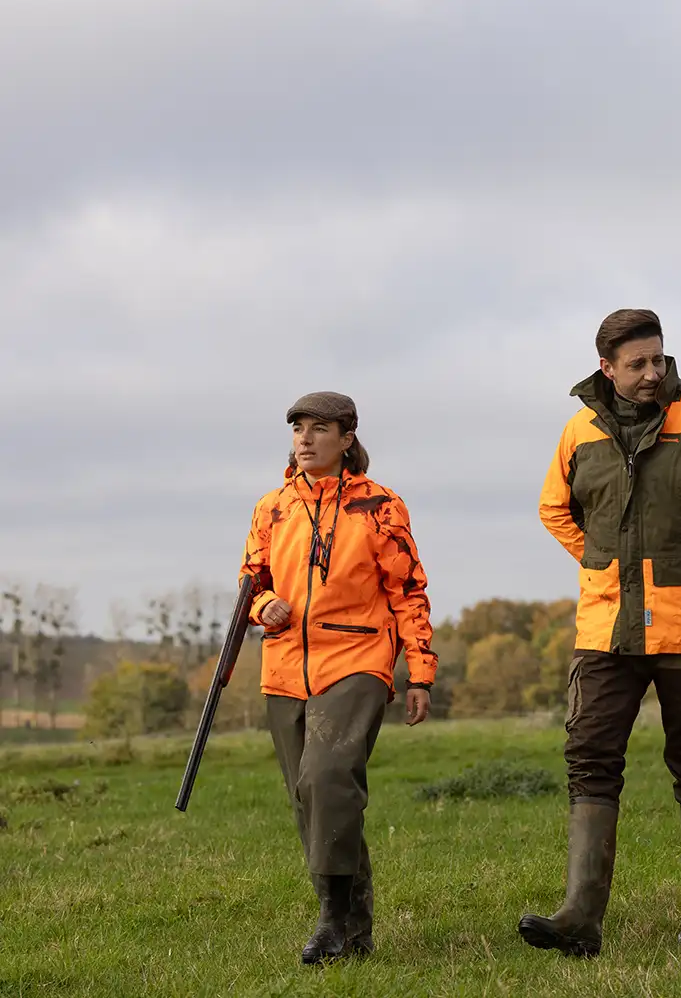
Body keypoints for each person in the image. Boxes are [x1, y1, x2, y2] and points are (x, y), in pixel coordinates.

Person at [521, 309, 681, 957]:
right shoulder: (580, 430)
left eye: (658, 360)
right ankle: (580, 917)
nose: (653, 373)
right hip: (605, 630)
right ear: (607, 367)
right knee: (589, 758)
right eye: (638, 364)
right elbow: (555, 507)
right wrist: (602, 563)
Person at [240, 391, 437, 965]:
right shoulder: (270, 507)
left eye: (319, 429)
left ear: (347, 438)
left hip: (357, 660)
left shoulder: (380, 506)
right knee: (313, 799)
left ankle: (329, 921)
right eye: (298, 428)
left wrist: (419, 672)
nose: (304, 439)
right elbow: (252, 579)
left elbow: (408, 592)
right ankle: (355, 931)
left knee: (326, 778)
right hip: (283, 668)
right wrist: (264, 604)